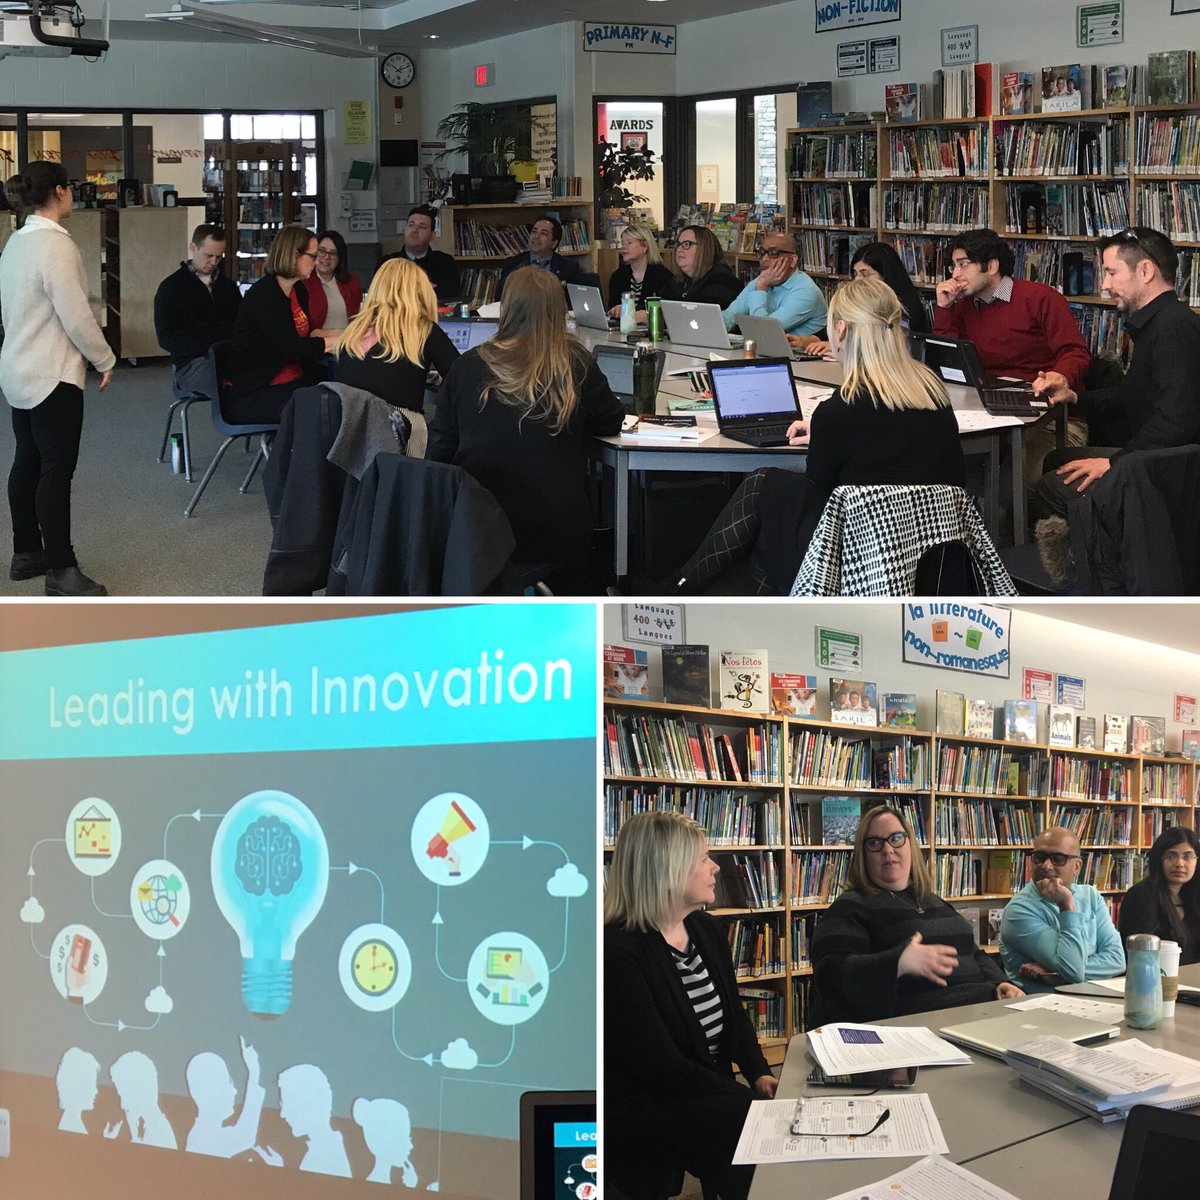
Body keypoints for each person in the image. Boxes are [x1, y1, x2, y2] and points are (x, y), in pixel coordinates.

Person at [670, 276, 965, 594]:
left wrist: (826, 436)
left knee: (763, 497)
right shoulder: (932, 392)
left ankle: (675, 590)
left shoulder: (840, 411)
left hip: (854, 554)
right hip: (927, 551)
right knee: (770, 503)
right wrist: (826, 436)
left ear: (840, 330)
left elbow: (820, 495)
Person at [605, 811, 776, 1200]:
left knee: (757, 1125)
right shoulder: (617, 952)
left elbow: (736, 1017)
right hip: (646, 1105)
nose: (715, 867)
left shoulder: (706, 928)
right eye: (703, 858)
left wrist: (759, 1074)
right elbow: (664, 1069)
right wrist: (746, 1100)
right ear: (667, 869)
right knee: (753, 1126)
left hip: (704, 1091)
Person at [428, 266, 624, 594]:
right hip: (555, 531)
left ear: (507, 307)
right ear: (557, 310)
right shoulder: (573, 363)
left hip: (479, 529)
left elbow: (439, 452)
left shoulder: (466, 367)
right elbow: (611, 421)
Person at [0, 160, 115, 597]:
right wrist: (104, 359)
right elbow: (77, 316)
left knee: (27, 460)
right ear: (62, 192)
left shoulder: (16, 241)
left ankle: (26, 553)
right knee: (55, 471)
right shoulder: (56, 247)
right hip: (52, 375)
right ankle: (61, 570)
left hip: (17, 369)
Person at [1032, 227, 1200, 517]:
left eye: (1111, 272)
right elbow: (1129, 396)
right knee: (1055, 461)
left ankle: (1101, 560)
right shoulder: (1158, 323)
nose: (1105, 284)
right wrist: (1074, 398)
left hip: (1167, 472)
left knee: (1051, 487)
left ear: (1145, 271)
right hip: (1152, 460)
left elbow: (1176, 422)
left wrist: (1116, 463)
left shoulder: (1173, 329)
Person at [810, 806, 1023, 1024]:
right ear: (863, 855)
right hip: (920, 1028)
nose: (887, 850)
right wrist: (898, 963)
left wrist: (1000, 983)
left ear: (910, 844)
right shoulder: (850, 906)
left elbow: (973, 953)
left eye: (896, 838)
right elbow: (830, 975)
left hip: (981, 1015)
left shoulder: (933, 900)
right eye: (874, 843)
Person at [935, 227, 1091, 474]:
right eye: (953, 266)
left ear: (992, 266)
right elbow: (950, 361)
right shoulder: (964, 305)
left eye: (963, 264)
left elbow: (1075, 352)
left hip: (1051, 418)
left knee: (1014, 482)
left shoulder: (1040, 298)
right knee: (945, 463)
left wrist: (1059, 375)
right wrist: (943, 308)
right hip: (991, 414)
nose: (955, 275)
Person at [224, 225, 338, 424]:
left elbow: (308, 333)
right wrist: (340, 340)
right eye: (313, 255)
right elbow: (292, 348)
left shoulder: (297, 290)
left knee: (342, 392)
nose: (317, 261)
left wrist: (346, 333)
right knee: (327, 407)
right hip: (256, 390)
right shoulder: (265, 296)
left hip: (289, 379)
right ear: (294, 255)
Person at [999, 826, 1126, 992]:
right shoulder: (1019, 910)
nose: (1046, 866)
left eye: (1058, 858)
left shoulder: (1090, 896)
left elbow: (1117, 960)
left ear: (1077, 867)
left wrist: (1057, 975)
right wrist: (1066, 905)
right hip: (1040, 1007)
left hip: (1092, 999)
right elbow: (1073, 971)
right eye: (1039, 857)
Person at [333, 257, 459, 413]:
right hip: (395, 431)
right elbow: (461, 378)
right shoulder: (423, 330)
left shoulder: (353, 331)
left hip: (348, 431)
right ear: (419, 292)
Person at [795, 241, 928, 355]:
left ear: (885, 275)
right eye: (855, 274)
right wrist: (810, 339)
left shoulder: (902, 307)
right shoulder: (862, 301)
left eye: (865, 274)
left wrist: (841, 347)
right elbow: (841, 326)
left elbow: (889, 347)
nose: (858, 280)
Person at [152, 222, 241, 393]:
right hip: (192, 363)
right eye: (208, 255)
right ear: (193, 248)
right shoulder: (171, 288)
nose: (214, 262)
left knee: (260, 375)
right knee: (226, 383)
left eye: (219, 257)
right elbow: (166, 337)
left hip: (230, 356)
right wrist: (209, 347)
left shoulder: (228, 287)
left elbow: (241, 324)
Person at [1117, 826, 1200, 966]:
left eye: (1187, 856)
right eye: (1171, 856)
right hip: (1153, 980)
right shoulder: (1141, 895)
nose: (1179, 864)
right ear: (1158, 859)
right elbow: (1139, 954)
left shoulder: (1195, 896)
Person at [722, 231, 827, 338]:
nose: (764, 259)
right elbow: (729, 318)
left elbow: (763, 332)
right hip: (769, 350)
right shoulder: (762, 280)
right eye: (762, 252)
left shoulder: (806, 292)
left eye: (774, 253)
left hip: (800, 353)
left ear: (792, 260)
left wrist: (761, 288)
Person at [384, 204, 461, 302]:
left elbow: (450, 295)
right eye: (411, 225)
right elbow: (383, 296)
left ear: (432, 235)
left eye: (422, 227)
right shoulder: (387, 263)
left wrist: (403, 288)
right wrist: (428, 287)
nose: (415, 230)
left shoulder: (445, 262)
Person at [497, 216, 582, 295]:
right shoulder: (512, 264)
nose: (536, 237)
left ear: (554, 243)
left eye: (543, 233)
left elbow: (573, 301)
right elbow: (501, 299)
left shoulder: (569, 267)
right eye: (534, 231)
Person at [298, 228, 362, 333]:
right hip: (318, 344)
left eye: (333, 253)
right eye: (322, 251)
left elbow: (357, 319)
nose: (326, 257)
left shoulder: (351, 282)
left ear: (340, 258)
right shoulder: (303, 282)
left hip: (347, 344)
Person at [662, 225, 741, 308]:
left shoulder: (722, 281)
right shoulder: (677, 281)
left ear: (704, 249)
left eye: (686, 244)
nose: (678, 250)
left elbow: (704, 315)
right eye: (678, 244)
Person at [605, 221, 673, 315]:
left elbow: (665, 312)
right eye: (622, 242)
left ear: (645, 246)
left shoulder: (663, 276)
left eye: (629, 242)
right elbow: (611, 310)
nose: (624, 247)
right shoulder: (618, 276)